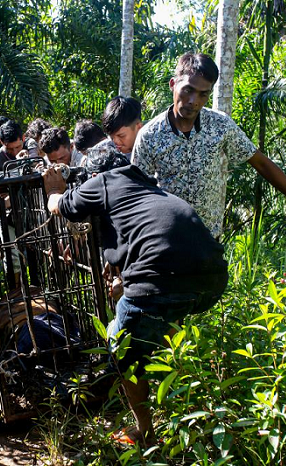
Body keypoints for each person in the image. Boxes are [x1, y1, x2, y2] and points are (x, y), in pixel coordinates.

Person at [43, 144, 228, 446]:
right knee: (165, 326)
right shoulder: (146, 188)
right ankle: (187, 408)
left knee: (122, 349)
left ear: (93, 175)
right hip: (211, 282)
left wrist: (55, 190)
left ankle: (146, 431)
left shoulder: (104, 181)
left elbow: (60, 206)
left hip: (158, 282)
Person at [132, 52, 286, 239]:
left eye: (203, 94)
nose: (194, 101)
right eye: (188, 90)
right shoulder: (149, 136)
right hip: (164, 240)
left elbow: (261, 163)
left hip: (209, 240)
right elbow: (135, 193)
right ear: (173, 84)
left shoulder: (220, 126)